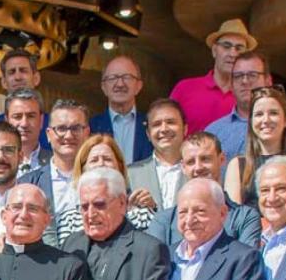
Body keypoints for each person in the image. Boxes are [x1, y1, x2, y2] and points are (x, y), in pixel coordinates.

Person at [224, 86, 286, 226]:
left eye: (273, 113)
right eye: (259, 114)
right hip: (251, 239)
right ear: (251, 121)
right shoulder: (237, 166)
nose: (266, 120)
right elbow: (235, 220)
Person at [147, 132, 262, 248]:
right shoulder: (164, 220)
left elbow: (246, 257)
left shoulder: (244, 217)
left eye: (205, 159)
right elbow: (154, 258)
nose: (198, 167)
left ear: (222, 159)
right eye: (191, 162)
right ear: (183, 167)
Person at [204, 52, 286, 162]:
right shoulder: (214, 132)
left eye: (252, 75)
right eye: (238, 76)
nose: (245, 81)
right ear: (231, 84)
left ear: (268, 81)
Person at [19, 99, 91, 244]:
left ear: (87, 133)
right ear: (48, 134)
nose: (68, 135)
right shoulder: (28, 183)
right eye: (61, 129)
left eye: (76, 128)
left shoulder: (103, 179)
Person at [170, 19, 258, 134]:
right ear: (214, 51)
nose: (233, 54)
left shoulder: (252, 95)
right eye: (226, 46)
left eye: (239, 48)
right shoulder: (185, 88)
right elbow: (168, 129)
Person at [0, 51, 50, 163]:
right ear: (4, 82)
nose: (18, 77)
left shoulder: (56, 126)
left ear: (36, 78)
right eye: (12, 72)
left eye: (23, 70)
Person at [125, 98, 188, 228]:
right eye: (156, 124)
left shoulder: (198, 171)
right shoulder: (130, 174)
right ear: (148, 134)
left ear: (185, 129)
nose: (164, 129)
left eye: (171, 122)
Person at [0, 88, 51, 186]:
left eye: (31, 116)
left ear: (41, 120)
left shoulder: (55, 162)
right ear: (7, 120)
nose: (24, 124)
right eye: (17, 116)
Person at [89, 55, 152, 164]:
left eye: (127, 77)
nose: (120, 84)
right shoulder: (91, 127)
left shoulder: (151, 126)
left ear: (139, 86)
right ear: (103, 87)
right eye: (112, 78)